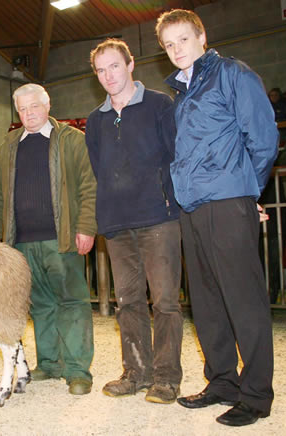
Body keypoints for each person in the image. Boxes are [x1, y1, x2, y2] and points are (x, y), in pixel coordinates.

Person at [156, 9, 278, 427]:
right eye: (168, 45)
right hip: (192, 206)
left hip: (227, 200)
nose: (176, 50)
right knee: (207, 301)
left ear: (201, 36)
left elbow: (263, 137)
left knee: (244, 300)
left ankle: (257, 394)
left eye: (183, 40)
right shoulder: (182, 92)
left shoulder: (231, 74)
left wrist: (248, 190)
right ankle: (222, 380)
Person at [0, 83, 97, 395]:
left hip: (62, 239)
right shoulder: (7, 147)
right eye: (23, 108)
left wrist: (86, 226)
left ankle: (77, 371)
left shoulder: (73, 140)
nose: (29, 113)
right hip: (20, 244)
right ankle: (49, 363)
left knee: (72, 302)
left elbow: (90, 185)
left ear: (48, 106)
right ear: (17, 112)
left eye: (35, 106)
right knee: (40, 305)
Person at [86, 38, 182, 404]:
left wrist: (171, 203)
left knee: (166, 302)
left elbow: (175, 156)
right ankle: (135, 372)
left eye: (114, 66)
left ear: (130, 65)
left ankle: (166, 378)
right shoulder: (96, 120)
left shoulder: (160, 105)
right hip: (117, 224)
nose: (108, 75)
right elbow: (100, 168)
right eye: (100, 70)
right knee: (128, 302)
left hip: (158, 218)